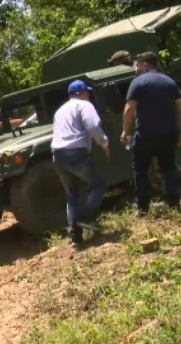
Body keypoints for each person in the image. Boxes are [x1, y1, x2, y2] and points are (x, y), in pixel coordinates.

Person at [121, 51, 181, 216]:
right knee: (168, 168)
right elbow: (180, 107)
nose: (135, 69)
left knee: (140, 170)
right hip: (168, 134)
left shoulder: (138, 82)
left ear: (144, 64)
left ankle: (142, 208)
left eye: (136, 65)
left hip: (145, 135)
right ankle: (174, 203)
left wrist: (125, 132)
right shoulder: (169, 82)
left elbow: (129, 109)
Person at [51, 80, 110, 246]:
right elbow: (93, 126)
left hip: (57, 155)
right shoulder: (84, 105)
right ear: (83, 92)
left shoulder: (60, 110)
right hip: (76, 153)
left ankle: (75, 236)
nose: (89, 95)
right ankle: (84, 218)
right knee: (99, 185)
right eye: (88, 92)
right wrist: (104, 144)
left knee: (72, 196)